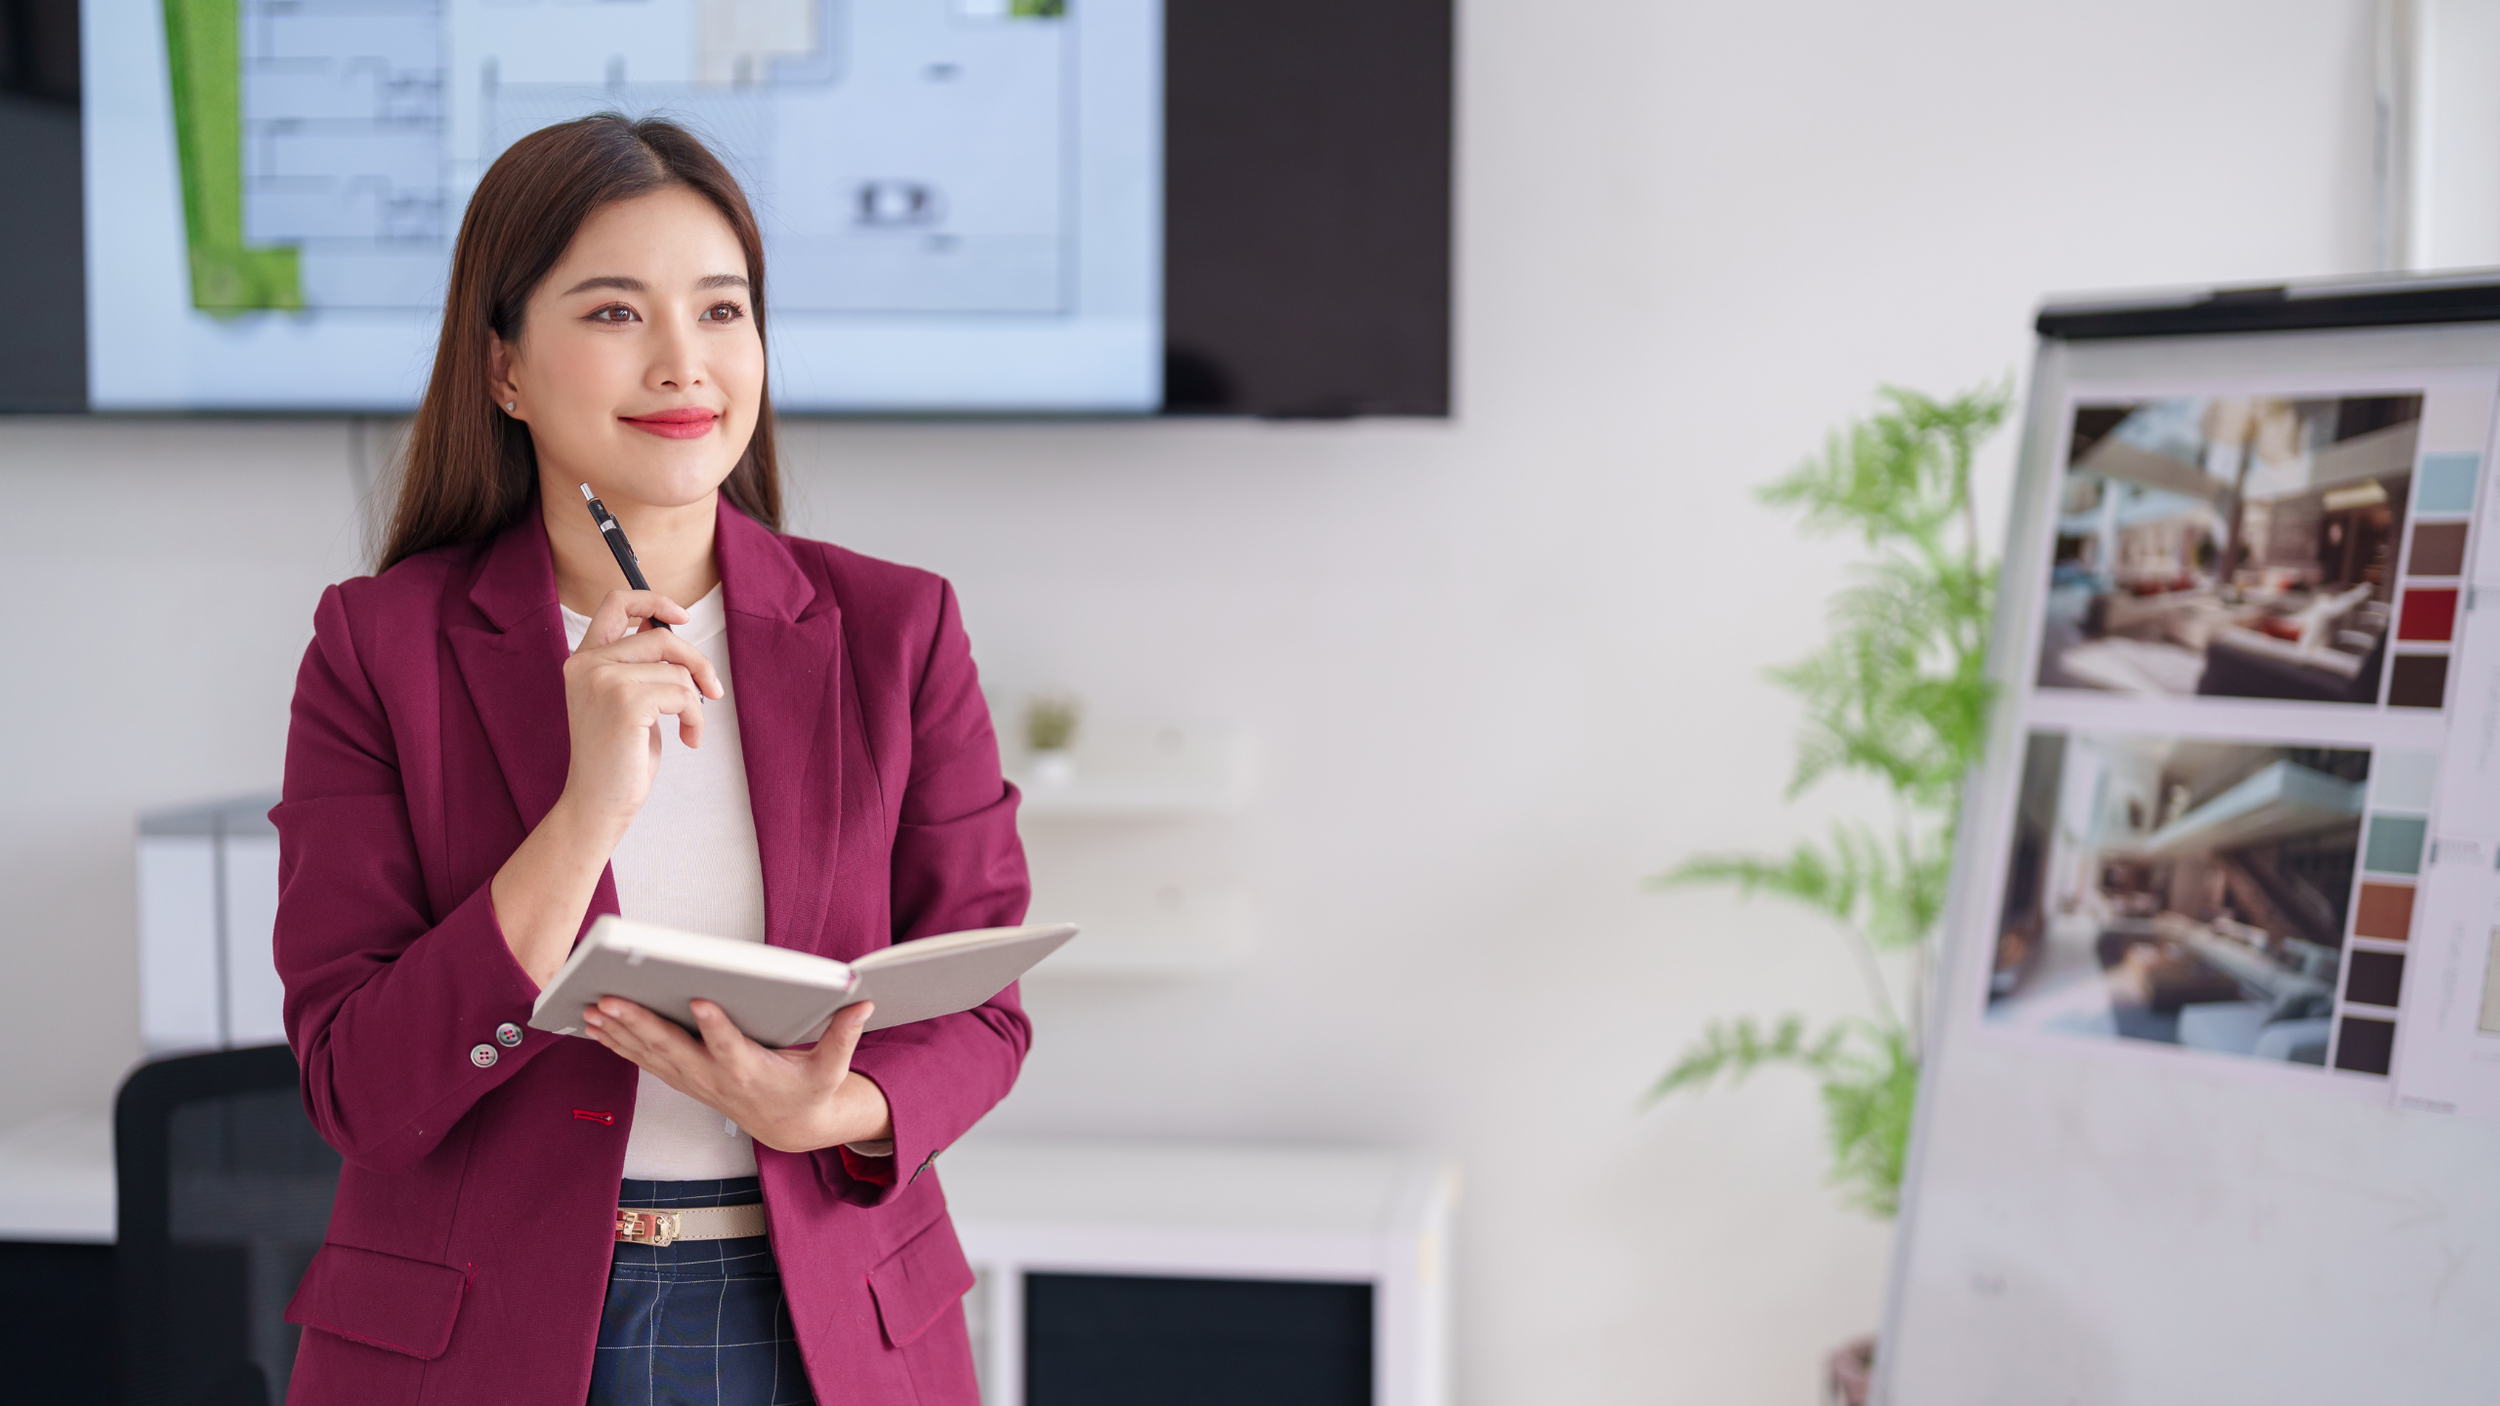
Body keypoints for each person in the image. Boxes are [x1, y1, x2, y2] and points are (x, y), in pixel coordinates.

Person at [271, 115, 1028, 1406]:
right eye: (616, 312)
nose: (686, 363)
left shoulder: (896, 630)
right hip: (479, 1338)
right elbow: (360, 1089)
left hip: (824, 1324)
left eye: (722, 311)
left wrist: (826, 1113)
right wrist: (586, 811)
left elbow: (983, 1008)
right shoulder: (378, 642)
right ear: (504, 367)